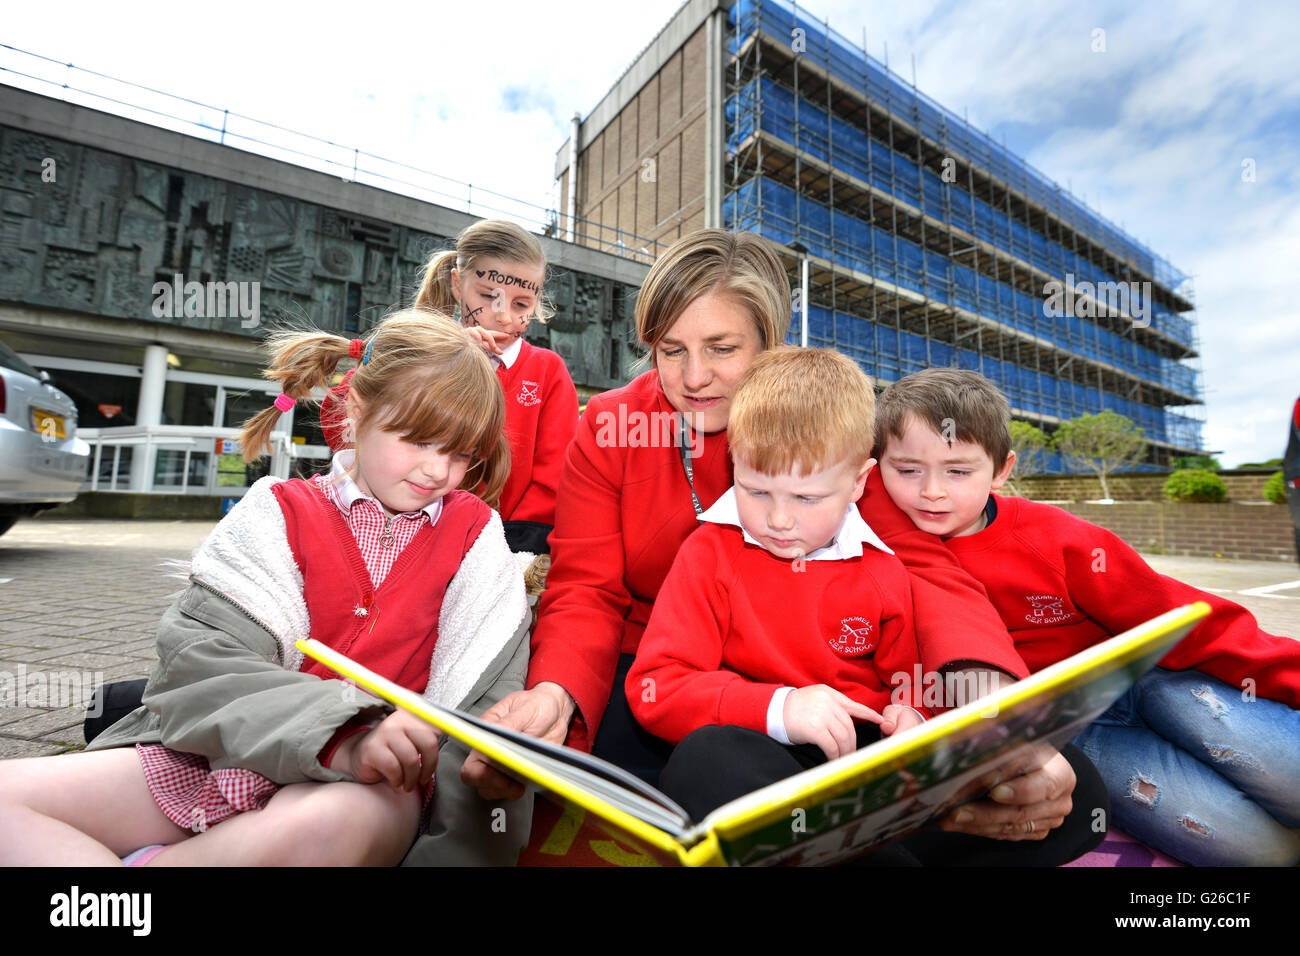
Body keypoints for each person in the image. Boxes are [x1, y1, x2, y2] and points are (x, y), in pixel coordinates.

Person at [464, 229, 1093, 852]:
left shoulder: (826, 424)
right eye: (670, 349)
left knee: (1076, 792)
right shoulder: (611, 425)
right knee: (693, 769)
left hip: (825, 677)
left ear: (771, 343)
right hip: (671, 680)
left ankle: (847, 830)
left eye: (721, 348)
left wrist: (992, 702)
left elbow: (926, 567)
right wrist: (558, 691)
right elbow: (586, 588)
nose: (693, 376)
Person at [0, 310, 533, 866]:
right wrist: (343, 730)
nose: (436, 470)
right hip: (224, 757)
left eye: (461, 452)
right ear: (358, 409)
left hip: (374, 788)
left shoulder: (475, 540)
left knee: (331, 824)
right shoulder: (276, 514)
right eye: (419, 439)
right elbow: (200, 666)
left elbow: (485, 712)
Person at [874, 367, 1300, 865]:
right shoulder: (877, 557)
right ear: (873, 468)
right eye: (907, 470)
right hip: (1070, 734)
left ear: (1002, 469)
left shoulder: (1056, 536)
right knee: (1257, 852)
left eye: (958, 471)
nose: (931, 491)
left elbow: (1178, 616)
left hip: (1150, 681)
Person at [629, 347, 928, 819]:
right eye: (757, 490)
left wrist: (913, 716)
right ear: (733, 464)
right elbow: (658, 687)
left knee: (1064, 780)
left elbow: (910, 680)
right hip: (761, 749)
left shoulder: (883, 568)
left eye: (807, 498)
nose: (779, 519)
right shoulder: (709, 552)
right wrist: (780, 707)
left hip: (862, 759)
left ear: (858, 482)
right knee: (703, 762)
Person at [322, 219, 578, 556]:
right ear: (458, 284)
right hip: (392, 535)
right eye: (489, 296)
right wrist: (444, 354)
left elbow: (554, 479)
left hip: (500, 548)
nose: (503, 316)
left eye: (521, 304)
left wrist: (504, 549)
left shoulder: (548, 370)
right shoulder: (421, 347)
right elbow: (340, 425)